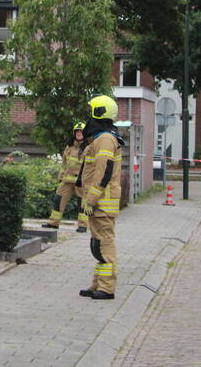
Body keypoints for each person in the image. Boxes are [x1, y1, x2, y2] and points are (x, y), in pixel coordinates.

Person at [79, 94, 125, 300]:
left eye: (91, 112)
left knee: (104, 244)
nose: (88, 117)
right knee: (97, 245)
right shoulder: (100, 138)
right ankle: (98, 284)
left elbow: (104, 171)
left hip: (101, 203)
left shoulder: (105, 139)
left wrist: (91, 199)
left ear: (99, 113)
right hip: (99, 203)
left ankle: (107, 288)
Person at [43, 122, 88, 232]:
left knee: (82, 203)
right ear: (74, 133)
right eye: (77, 131)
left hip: (81, 182)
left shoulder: (88, 148)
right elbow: (64, 164)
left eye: (81, 131)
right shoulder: (69, 147)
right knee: (58, 200)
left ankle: (83, 225)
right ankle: (53, 223)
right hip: (67, 180)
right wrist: (61, 177)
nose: (79, 133)